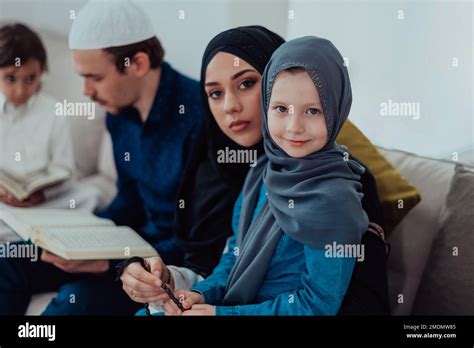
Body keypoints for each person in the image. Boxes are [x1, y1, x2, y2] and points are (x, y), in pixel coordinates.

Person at [119, 29, 389, 315]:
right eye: (215, 93)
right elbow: (229, 260)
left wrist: (220, 312)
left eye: (247, 83)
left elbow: (328, 303)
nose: (230, 106)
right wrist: (182, 289)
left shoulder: (341, 188)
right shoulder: (259, 172)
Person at [0, 0, 203, 315]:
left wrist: (112, 261)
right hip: (127, 249)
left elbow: (198, 242)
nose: (86, 91)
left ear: (136, 64)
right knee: (9, 258)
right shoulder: (119, 111)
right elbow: (130, 200)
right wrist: (83, 236)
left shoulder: (200, 116)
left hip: (158, 262)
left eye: (94, 77)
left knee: (74, 302)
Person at [0, 23, 74, 208]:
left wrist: (43, 194)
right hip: (3, 198)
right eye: (10, 78)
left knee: (89, 195)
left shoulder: (55, 111)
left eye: (30, 79)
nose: (20, 90)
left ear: (42, 72)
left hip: (40, 198)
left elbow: (64, 169)